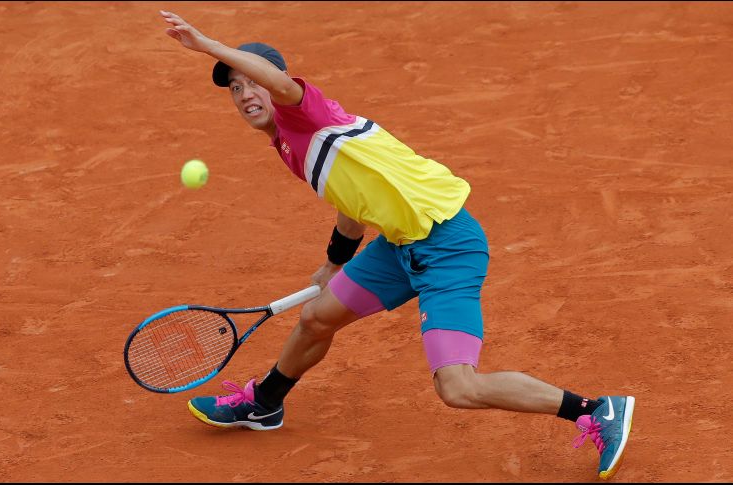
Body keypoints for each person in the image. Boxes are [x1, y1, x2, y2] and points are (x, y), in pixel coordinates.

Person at [159, 10, 635, 480]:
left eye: (251, 81)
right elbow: (353, 203)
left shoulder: (306, 112)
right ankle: (265, 403)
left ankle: (595, 410)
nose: (245, 94)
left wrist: (208, 45)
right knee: (316, 318)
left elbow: (281, 86)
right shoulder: (289, 143)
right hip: (399, 246)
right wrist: (335, 262)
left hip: (447, 245)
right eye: (235, 88)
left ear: (276, 81)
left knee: (458, 387)